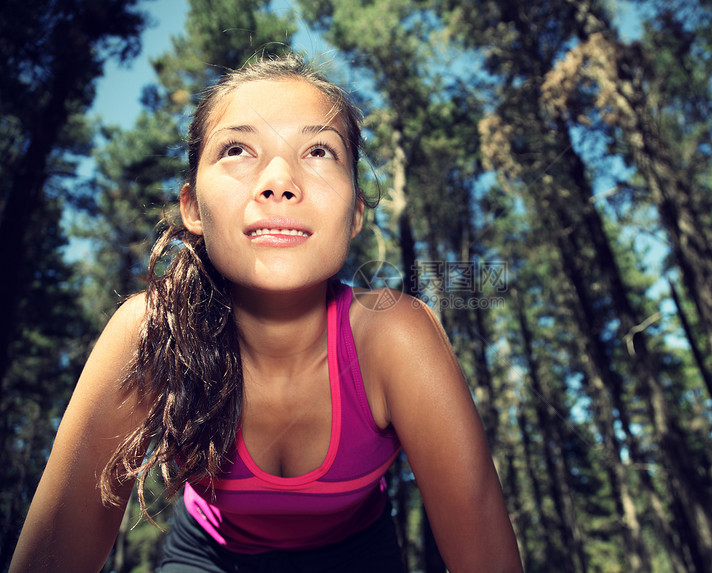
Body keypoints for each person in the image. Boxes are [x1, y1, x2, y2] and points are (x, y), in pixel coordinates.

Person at [9, 53, 522, 573]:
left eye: (319, 151)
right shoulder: (151, 334)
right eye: (237, 149)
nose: (279, 181)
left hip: (359, 551)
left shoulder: (396, 337)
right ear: (192, 209)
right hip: (207, 555)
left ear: (355, 214)